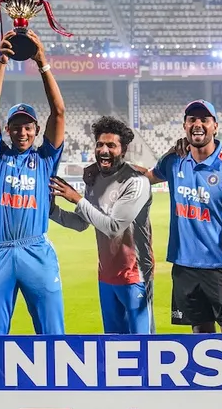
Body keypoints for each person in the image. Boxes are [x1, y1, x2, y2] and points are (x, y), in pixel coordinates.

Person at [141, 100, 222, 334]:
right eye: (192, 119)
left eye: (204, 120)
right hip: (185, 266)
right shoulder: (173, 160)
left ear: (215, 126)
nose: (198, 124)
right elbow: (146, 177)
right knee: (200, 341)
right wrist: (109, 169)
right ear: (184, 126)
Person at [0, 30, 68, 335]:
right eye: (15, 128)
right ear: (7, 130)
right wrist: (1, 63)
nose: (21, 133)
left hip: (36, 251)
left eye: (27, 127)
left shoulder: (45, 159)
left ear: (36, 129)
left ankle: (57, 383)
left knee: (53, 334)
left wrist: (42, 62)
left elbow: (59, 111)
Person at [50, 116, 154, 334]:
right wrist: (52, 211)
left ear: (123, 150)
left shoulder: (136, 182)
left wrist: (78, 199)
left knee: (144, 348)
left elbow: (114, 227)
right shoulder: (94, 179)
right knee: (113, 346)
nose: (104, 150)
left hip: (135, 276)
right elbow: (82, 223)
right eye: (99, 144)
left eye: (111, 145)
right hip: (106, 275)